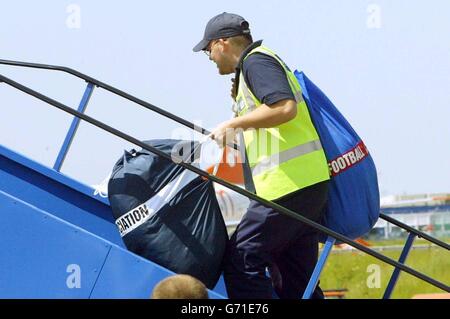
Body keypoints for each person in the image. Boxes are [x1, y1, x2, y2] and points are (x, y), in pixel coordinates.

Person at [193, 12, 330, 299]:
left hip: (287, 187)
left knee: (241, 259)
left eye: (208, 49)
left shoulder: (256, 61)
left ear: (223, 43)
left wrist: (232, 124)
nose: (208, 56)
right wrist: (237, 139)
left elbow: (284, 108)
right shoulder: (254, 66)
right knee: (297, 281)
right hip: (305, 185)